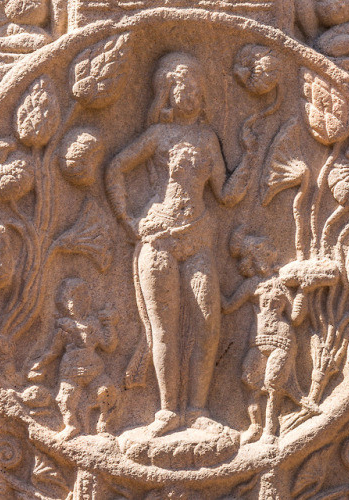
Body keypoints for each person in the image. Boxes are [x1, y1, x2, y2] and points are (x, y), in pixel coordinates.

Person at [105, 52, 257, 438]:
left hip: (199, 237)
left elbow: (224, 194)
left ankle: (198, 409)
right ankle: (168, 411)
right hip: (158, 238)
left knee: (207, 323)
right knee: (165, 328)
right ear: (167, 94)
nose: (189, 93)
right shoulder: (158, 136)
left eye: (194, 87)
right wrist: (129, 220)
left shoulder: (207, 139)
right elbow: (116, 169)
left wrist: (251, 156)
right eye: (181, 87)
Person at [222, 229, 304, 444]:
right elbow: (228, 306)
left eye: (266, 254)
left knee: (273, 383)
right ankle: (255, 427)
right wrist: (208, 287)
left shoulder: (282, 283)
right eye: (259, 256)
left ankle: (270, 429)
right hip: (257, 340)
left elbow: (295, 317)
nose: (264, 260)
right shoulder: (251, 285)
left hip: (282, 339)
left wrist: (303, 291)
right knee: (250, 380)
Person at [27, 278, 119, 439]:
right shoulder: (64, 327)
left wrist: (109, 325)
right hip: (70, 372)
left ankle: (103, 423)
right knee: (65, 399)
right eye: (77, 297)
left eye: (85, 296)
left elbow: (108, 346)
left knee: (107, 392)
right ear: (66, 302)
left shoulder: (93, 324)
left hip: (94, 370)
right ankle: (71, 425)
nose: (84, 300)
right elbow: (53, 351)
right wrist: (38, 365)